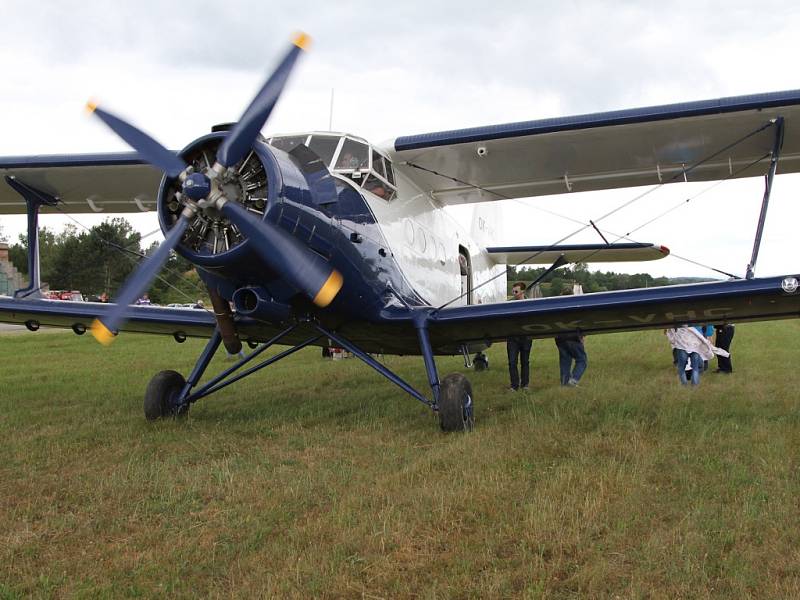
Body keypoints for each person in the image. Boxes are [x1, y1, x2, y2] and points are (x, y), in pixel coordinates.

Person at [506, 282, 532, 391]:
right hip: (512, 338)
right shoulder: (509, 305)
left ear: (522, 292)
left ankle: (525, 385)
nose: (514, 294)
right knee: (512, 362)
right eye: (513, 292)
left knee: (525, 362)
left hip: (526, 337)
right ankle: (514, 385)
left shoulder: (530, 304)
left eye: (516, 291)